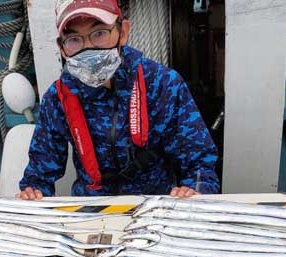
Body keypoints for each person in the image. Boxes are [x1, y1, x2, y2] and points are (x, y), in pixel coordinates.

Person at [18, 0, 219, 200]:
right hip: (90, 210)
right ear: (61, 47)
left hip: (155, 209)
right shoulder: (57, 98)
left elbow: (200, 164)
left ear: (123, 32)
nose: (88, 48)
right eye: (73, 39)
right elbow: (38, 176)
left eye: (99, 34)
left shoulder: (163, 84)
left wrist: (195, 190)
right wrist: (32, 192)